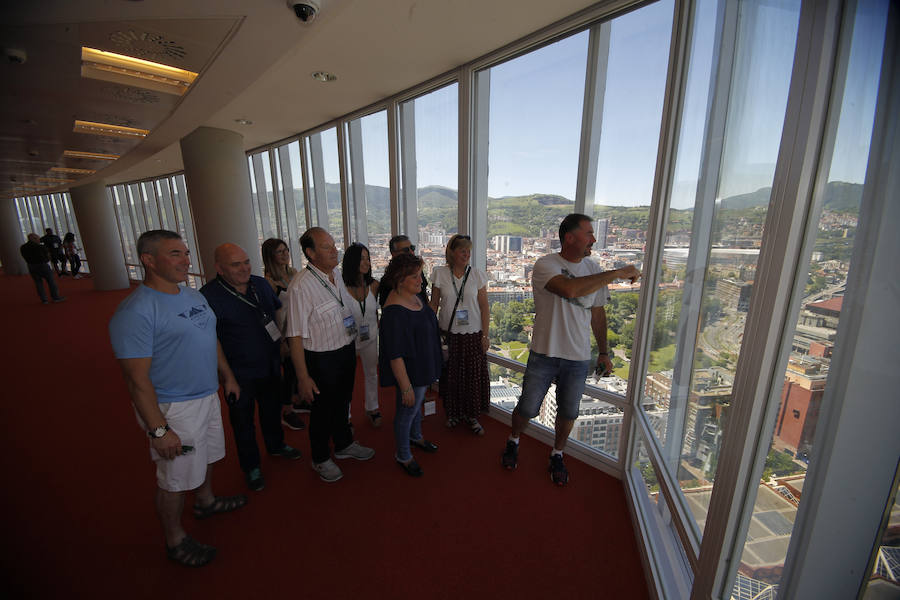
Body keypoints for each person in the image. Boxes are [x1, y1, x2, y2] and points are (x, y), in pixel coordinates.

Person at [109, 229, 247, 567]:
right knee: (174, 478)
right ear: (148, 260)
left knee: (209, 455)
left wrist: (227, 375)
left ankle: (206, 501)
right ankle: (175, 539)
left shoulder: (193, 297)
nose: (186, 260)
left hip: (207, 394)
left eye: (185, 253)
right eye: (175, 254)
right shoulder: (135, 312)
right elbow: (136, 380)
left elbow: (209, 338)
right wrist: (158, 430)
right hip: (174, 408)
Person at [500, 214, 641, 486]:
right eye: (589, 233)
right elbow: (570, 290)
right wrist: (618, 272)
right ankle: (514, 439)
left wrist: (604, 352)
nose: (594, 239)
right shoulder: (546, 264)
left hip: (577, 357)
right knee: (528, 407)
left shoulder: (593, 267)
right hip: (545, 352)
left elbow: (597, 314)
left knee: (569, 412)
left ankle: (557, 453)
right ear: (570, 238)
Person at [200, 243, 304, 492]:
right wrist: (227, 377)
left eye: (246, 261)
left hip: (270, 363)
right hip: (239, 373)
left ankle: (276, 445)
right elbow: (210, 341)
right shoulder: (209, 296)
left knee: (271, 410)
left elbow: (275, 313)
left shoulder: (260, 284)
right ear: (219, 268)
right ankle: (251, 466)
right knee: (243, 422)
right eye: (236, 264)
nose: (244, 268)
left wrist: (282, 342)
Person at [285, 227, 375, 482]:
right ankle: (320, 458)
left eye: (334, 245)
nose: (334, 250)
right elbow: (294, 335)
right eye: (326, 247)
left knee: (343, 402)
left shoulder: (334, 273)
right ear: (310, 253)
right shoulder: (301, 287)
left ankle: (344, 444)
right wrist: (303, 377)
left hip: (345, 350)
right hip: (321, 358)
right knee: (322, 411)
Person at [379, 252, 443, 477]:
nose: (420, 280)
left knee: (415, 409)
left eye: (420, 275)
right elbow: (395, 355)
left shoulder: (416, 297)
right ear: (400, 279)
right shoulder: (394, 312)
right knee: (407, 412)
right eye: (415, 276)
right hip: (410, 372)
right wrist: (405, 387)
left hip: (422, 366)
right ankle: (403, 454)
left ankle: (416, 437)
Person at [430, 234, 490, 435]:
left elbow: (484, 307)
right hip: (449, 334)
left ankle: (472, 415)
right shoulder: (439, 274)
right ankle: (453, 413)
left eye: (468, 251)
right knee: (451, 376)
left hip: (473, 334)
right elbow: (434, 305)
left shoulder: (477, 275)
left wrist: (485, 336)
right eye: (462, 250)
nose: (466, 254)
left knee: (472, 377)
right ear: (452, 252)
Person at [261, 237, 307, 430]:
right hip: (282, 331)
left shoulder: (293, 273)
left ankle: (297, 400)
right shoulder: (268, 281)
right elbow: (268, 314)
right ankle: (287, 411)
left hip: (297, 327)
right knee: (288, 371)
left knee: (298, 367)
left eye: (286, 250)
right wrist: (279, 340)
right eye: (280, 251)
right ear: (270, 256)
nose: (285, 254)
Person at [341, 242, 382, 427]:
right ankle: (346, 415)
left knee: (372, 373)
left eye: (368, 258)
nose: (366, 262)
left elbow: (374, 312)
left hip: (370, 337)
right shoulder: (340, 287)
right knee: (346, 379)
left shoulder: (374, 285)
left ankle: (372, 407)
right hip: (347, 339)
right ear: (352, 261)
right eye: (362, 258)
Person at [377, 234, 428, 307]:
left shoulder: (418, 272)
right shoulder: (387, 281)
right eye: (406, 250)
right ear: (393, 253)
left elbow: (424, 296)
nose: (411, 252)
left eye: (412, 248)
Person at [20, 233, 65, 304]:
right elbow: (46, 257)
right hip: (42, 265)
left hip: (31, 266)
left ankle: (44, 299)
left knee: (38, 283)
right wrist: (46, 260)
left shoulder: (23, 247)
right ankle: (55, 297)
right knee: (51, 281)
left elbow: (24, 256)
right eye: (38, 239)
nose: (39, 240)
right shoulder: (40, 247)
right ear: (34, 239)